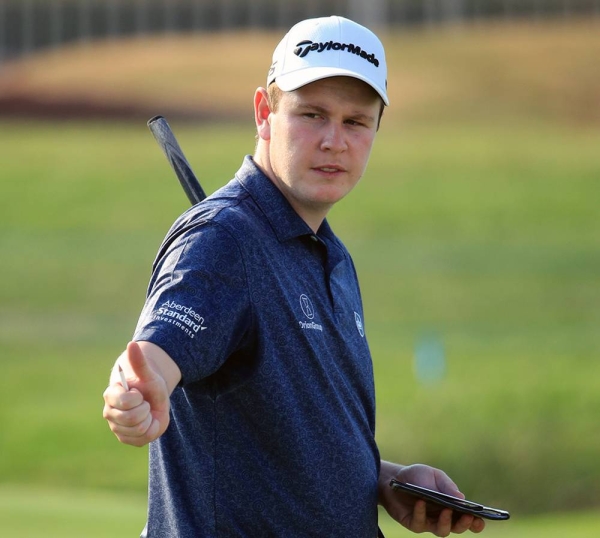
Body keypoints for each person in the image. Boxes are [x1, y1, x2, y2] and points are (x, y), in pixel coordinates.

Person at [103, 15, 486, 538]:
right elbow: (155, 360)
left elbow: (292, 441)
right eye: (312, 114)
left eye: (356, 121)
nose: (334, 140)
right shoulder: (222, 241)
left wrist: (385, 480)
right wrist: (135, 395)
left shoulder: (331, 256)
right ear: (264, 112)